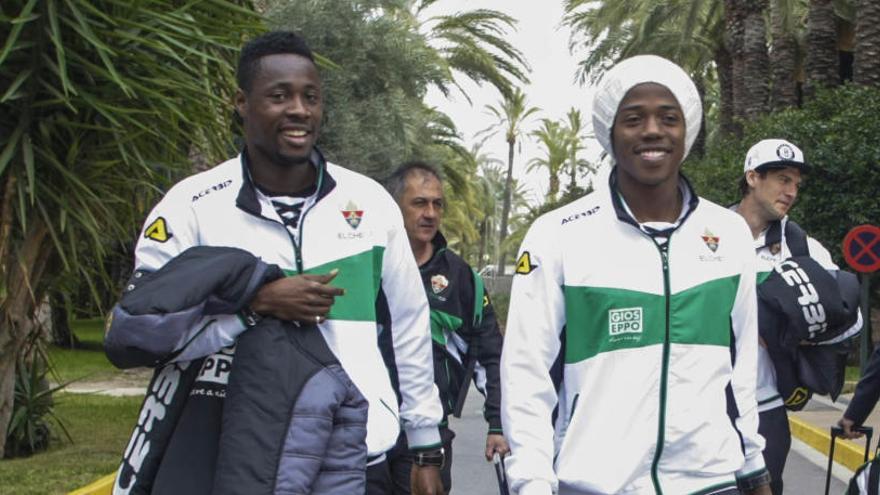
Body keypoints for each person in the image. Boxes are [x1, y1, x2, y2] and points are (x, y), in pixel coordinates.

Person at [106, 31, 445, 495]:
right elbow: (140, 337)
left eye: (311, 97)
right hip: (237, 461)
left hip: (360, 455)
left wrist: (425, 444)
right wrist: (254, 302)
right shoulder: (190, 205)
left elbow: (410, 322)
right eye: (279, 96)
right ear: (242, 103)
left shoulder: (369, 201)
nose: (299, 110)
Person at [500, 55, 771, 495]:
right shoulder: (558, 235)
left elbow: (742, 367)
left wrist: (754, 467)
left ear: (688, 131)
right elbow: (526, 374)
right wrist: (531, 481)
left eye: (669, 117)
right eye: (633, 118)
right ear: (609, 130)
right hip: (596, 484)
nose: (652, 130)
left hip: (711, 482)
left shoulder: (729, 234)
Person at [732, 138, 862, 494]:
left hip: (766, 406)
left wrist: (789, 332)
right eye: (782, 179)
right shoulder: (708, 234)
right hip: (704, 403)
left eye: (796, 184)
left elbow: (851, 319)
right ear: (753, 177)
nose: (791, 191)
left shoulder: (804, 248)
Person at [379, 161, 509, 493]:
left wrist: (497, 422)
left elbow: (489, 353)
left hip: (428, 436)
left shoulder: (461, 276)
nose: (431, 213)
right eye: (419, 203)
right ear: (394, 207)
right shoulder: (367, 263)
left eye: (438, 204)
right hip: (365, 431)